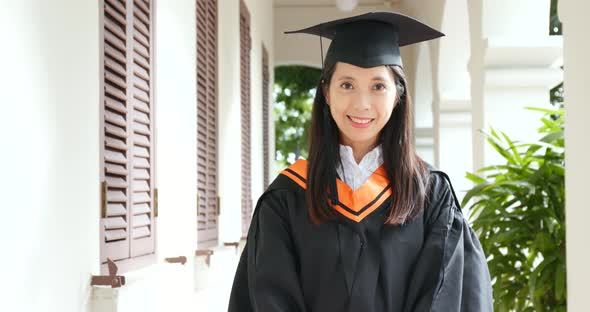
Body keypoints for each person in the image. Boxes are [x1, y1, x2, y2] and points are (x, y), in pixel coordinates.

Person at [228, 11, 493, 312]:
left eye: (378, 86)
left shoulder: (430, 194)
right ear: (326, 92)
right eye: (347, 85)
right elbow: (268, 297)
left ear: (398, 95)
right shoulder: (286, 198)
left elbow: (447, 296)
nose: (362, 103)